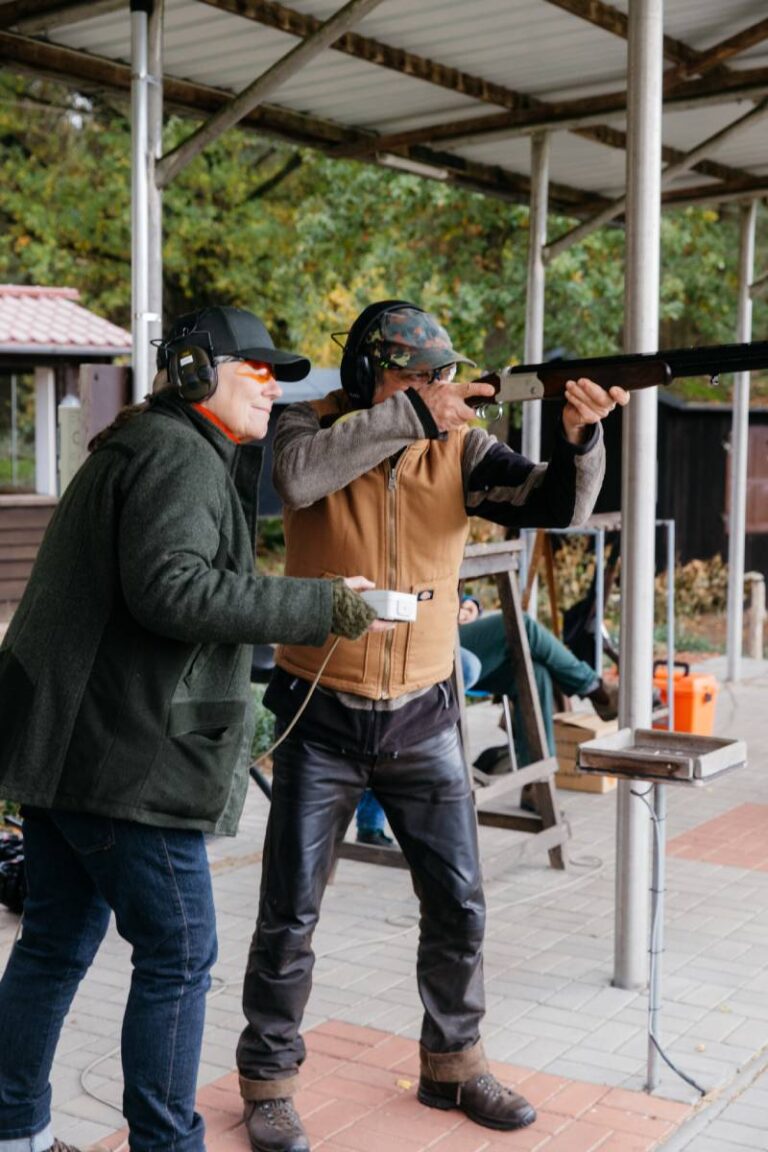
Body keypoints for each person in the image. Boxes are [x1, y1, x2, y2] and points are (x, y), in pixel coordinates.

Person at [236, 299, 629, 1152]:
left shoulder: (459, 444)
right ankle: (268, 1078)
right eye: (420, 378)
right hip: (320, 709)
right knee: (289, 914)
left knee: (458, 902)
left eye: (441, 376)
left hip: (424, 710)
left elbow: (547, 502)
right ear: (372, 374)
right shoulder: (311, 423)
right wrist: (409, 414)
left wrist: (580, 438)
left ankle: (452, 1062)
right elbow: (293, 482)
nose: (441, 390)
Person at [0, 306, 382, 1152]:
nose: (274, 387)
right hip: (118, 758)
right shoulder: (178, 455)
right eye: (260, 370)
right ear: (198, 370)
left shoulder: (156, 444)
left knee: (57, 943)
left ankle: (13, 1131)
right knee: (179, 954)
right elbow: (172, 590)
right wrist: (322, 602)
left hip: (70, 744)